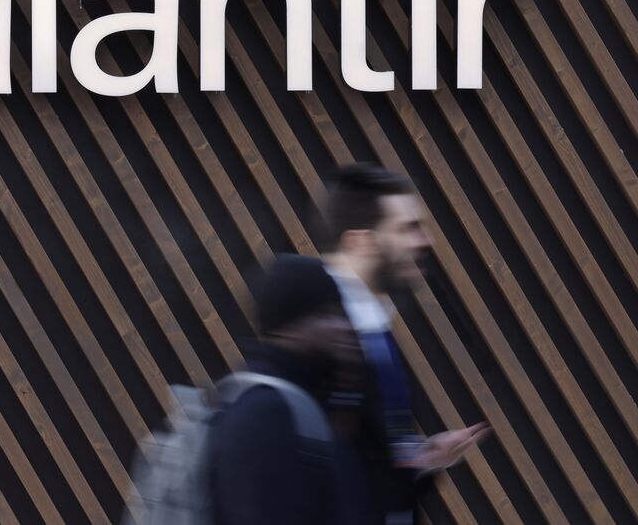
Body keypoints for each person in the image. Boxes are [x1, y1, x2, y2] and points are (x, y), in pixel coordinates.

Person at [318, 163, 489, 524]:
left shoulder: (372, 322)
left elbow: (360, 446)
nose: (426, 240)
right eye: (408, 228)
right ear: (360, 241)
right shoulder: (322, 330)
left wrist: (420, 456)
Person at [209, 253, 372, 524]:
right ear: (288, 327)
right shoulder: (267, 412)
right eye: (326, 315)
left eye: (343, 315)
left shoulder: (308, 399)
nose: (346, 327)